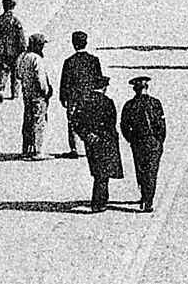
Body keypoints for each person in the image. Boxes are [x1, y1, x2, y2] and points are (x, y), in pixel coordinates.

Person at [71, 75, 123, 213]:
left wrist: (86, 134)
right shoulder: (108, 102)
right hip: (105, 141)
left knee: (97, 171)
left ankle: (99, 201)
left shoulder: (84, 102)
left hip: (91, 142)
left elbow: (75, 121)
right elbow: (111, 123)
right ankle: (99, 202)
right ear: (104, 88)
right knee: (103, 174)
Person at [119, 75, 167, 213]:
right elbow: (162, 125)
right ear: (147, 88)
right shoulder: (155, 103)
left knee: (140, 170)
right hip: (153, 141)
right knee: (151, 171)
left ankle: (144, 195)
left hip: (138, 142)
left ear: (135, 89)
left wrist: (131, 139)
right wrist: (159, 140)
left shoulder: (130, 105)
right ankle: (148, 199)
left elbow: (124, 126)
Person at [60, 31, 102, 159]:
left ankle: (75, 149)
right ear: (86, 43)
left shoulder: (69, 61)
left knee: (73, 121)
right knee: (90, 120)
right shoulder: (94, 60)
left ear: (73, 44)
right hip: (89, 97)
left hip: (74, 97)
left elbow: (64, 82)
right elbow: (98, 80)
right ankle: (91, 146)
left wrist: (63, 97)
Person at [15, 34, 54, 159]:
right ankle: (39, 151)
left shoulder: (22, 57)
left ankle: (27, 148)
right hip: (38, 94)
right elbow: (40, 79)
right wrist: (46, 91)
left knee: (28, 121)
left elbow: (18, 75)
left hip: (26, 93)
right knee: (39, 121)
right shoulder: (36, 59)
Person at [0, 0, 26, 101]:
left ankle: (0, 89)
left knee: (2, 71)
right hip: (15, 51)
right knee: (15, 72)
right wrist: (23, 49)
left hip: (2, 51)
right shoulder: (16, 21)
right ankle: (15, 93)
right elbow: (21, 37)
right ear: (12, 8)